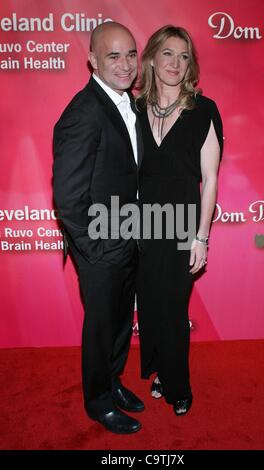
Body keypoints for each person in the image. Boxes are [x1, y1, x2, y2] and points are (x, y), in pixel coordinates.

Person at [53, 22, 144, 434]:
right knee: (102, 325)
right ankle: (98, 400)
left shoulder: (131, 103)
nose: (125, 65)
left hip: (130, 237)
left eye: (130, 54)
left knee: (122, 320)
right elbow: (69, 196)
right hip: (102, 247)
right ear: (92, 60)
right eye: (113, 56)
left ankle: (114, 381)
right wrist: (95, 249)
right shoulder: (83, 112)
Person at [136, 25, 223, 416]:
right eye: (168, 53)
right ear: (152, 57)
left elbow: (210, 179)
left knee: (172, 307)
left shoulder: (204, 110)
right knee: (151, 306)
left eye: (184, 56)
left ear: (191, 65)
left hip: (182, 223)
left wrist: (201, 238)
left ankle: (178, 384)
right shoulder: (134, 109)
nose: (175, 63)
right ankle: (159, 370)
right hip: (138, 224)